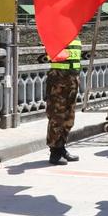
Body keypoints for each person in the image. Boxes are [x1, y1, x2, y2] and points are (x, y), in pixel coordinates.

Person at [45, 37, 83, 165]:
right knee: (56, 117)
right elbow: (51, 53)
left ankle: (61, 148)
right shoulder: (57, 33)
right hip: (58, 81)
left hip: (72, 82)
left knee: (68, 118)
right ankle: (54, 152)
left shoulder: (75, 37)